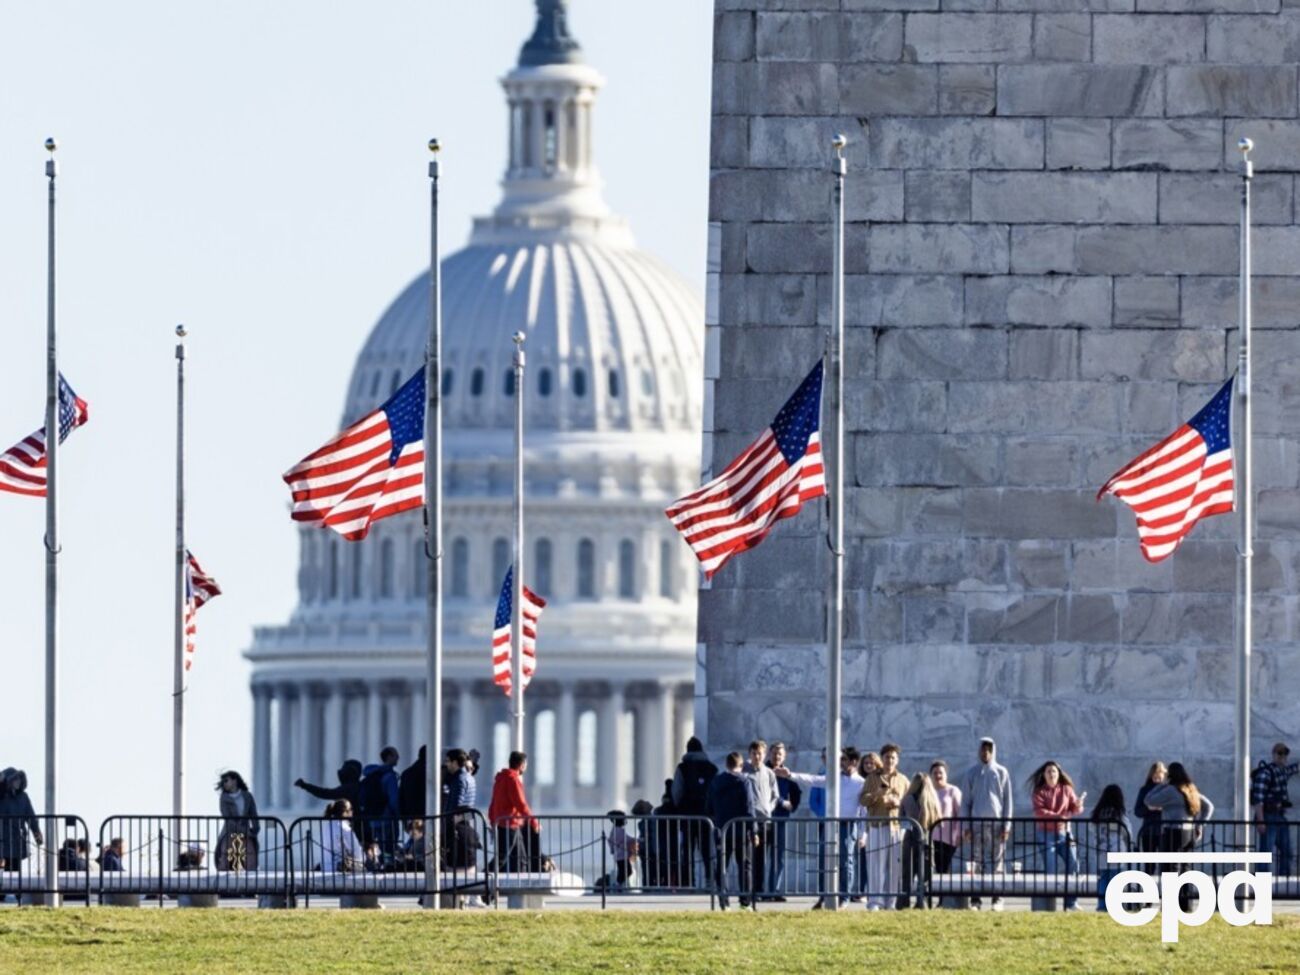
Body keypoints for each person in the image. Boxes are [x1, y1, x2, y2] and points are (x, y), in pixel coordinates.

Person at [777, 746, 866, 909]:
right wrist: (790, 775)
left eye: (844, 759)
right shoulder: (834, 777)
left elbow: (864, 811)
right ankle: (824, 896)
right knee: (825, 860)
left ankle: (844, 897)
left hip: (848, 825)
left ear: (853, 762)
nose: (840, 762)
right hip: (830, 824)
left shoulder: (861, 783)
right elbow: (813, 780)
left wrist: (862, 833)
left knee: (847, 862)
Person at [1142, 762, 1214, 911]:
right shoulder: (1190, 789)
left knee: (1170, 869)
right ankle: (1185, 904)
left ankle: (1169, 906)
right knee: (1185, 869)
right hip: (1188, 832)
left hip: (1171, 832)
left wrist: (1162, 784)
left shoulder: (1170, 790)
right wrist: (1199, 825)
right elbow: (1209, 807)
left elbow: (1148, 799)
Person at [960, 737, 1013, 911]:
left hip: (996, 824)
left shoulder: (1001, 772)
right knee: (976, 861)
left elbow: (1007, 802)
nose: (986, 753)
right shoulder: (971, 773)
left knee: (997, 861)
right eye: (983, 749)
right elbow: (966, 802)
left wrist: (1006, 825)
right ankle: (975, 899)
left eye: (989, 750)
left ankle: (997, 898)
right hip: (976, 824)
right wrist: (966, 826)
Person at [1028, 760, 1085, 911]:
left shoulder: (1067, 789)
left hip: (1066, 833)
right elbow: (1040, 812)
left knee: (1074, 863)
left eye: (1054, 771)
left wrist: (1078, 805)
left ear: (1059, 774)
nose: (1051, 774)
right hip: (1045, 834)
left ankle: (1071, 902)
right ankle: (1050, 904)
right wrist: (1059, 816)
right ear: (1044, 775)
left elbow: (1075, 808)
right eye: (1048, 771)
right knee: (1051, 868)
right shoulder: (1039, 791)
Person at [861, 743, 908, 910]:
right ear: (882, 758)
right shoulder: (872, 778)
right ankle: (875, 901)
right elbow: (863, 800)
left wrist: (897, 802)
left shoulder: (902, 779)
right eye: (887, 757)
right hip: (877, 825)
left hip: (895, 827)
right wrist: (877, 795)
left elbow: (908, 802)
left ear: (897, 760)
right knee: (876, 865)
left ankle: (891, 902)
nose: (890, 760)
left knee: (894, 866)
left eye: (893, 757)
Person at [705, 751, 755, 910]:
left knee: (722, 866)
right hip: (741, 831)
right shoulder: (744, 782)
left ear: (726, 765)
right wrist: (753, 830)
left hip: (721, 829)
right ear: (741, 765)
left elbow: (708, 807)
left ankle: (723, 901)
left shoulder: (716, 782)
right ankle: (745, 902)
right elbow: (749, 808)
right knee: (745, 866)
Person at [671, 736, 718, 889]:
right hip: (707, 817)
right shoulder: (712, 768)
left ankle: (688, 881)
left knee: (687, 851)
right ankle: (710, 880)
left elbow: (677, 791)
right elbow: (716, 792)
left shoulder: (682, 767)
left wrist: (679, 806)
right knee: (707, 851)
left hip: (687, 815)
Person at [1252, 742, 1299, 876]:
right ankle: (1263, 883)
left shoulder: (1282, 771)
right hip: (1268, 815)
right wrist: (1260, 820)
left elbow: (1295, 768)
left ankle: (1283, 880)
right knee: (1265, 852)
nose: (1282, 756)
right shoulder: (1266, 773)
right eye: (1279, 753)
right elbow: (1258, 798)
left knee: (1286, 850)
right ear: (1273, 755)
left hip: (1279, 815)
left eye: (1284, 754)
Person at [488, 751, 540, 873]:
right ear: (522, 765)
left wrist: (492, 820)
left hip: (505, 824)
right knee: (502, 858)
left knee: (521, 858)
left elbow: (493, 802)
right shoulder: (513, 780)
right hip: (510, 824)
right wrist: (534, 822)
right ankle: (483, 879)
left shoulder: (500, 779)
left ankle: (519, 886)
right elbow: (521, 804)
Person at [898, 772, 941, 909]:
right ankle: (922, 902)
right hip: (927, 838)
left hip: (910, 837)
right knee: (926, 873)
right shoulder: (932, 800)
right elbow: (939, 821)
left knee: (907, 873)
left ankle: (903, 903)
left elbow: (900, 819)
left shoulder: (907, 799)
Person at [743, 739, 779, 902]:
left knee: (762, 857)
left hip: (765, 821)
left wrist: (768, 809)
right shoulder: (744, 771)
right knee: (748, 857)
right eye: (754, 753)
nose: (757, 756)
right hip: (749, 820)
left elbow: (775, 795)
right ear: (749, 754)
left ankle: (760, 889)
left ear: (764, 755)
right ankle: (748, 890)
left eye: (760, 753)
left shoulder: (769, 773)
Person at [296, 759, 365, 839]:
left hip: (356, 826)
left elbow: (326, 793)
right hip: (361, 825)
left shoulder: (348, 788)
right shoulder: (359, 786)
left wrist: (305, 786)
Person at [766, 741, 800, 901]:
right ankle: (760, 890)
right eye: (774, 753)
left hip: (780, 818)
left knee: (777, 856)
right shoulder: (763, 771)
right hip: (764, 819)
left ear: (784, 756)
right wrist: (781, 802)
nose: (776, 756)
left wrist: (792, 806)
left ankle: (775, 889)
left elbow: (796, 792)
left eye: (780, 754)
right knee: (759, 856)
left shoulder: (786, 773)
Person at [1090, 784, 1132, 912]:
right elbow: (1128, 833)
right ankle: (1114, 905)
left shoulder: (1098, 815)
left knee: (1103, 879)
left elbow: (1092, 830)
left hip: (1102, 851)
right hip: (1117, 851)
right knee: (1115, 880)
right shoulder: (1119, 816)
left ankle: (1102, 905)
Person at [359, 747, 401, 858]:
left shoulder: (373, 774)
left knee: (378, 846)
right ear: (389, 757)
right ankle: (388, 866)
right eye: (395, 755)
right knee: (389, 845)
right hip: (387, 817)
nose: (398, 757)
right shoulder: (390, 777)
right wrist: (398, 815)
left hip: (373, 817)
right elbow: (394, 800)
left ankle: (380, 865)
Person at [215, 770, 260, 871]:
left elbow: (253, 814)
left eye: (226, 780)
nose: (224, 784)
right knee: (226, 855)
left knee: (250, 856)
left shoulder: (247, 796)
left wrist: (255, 828)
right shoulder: (224, 798)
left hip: (246, 832)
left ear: (234, 780)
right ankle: (222, 882)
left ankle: (251, 882)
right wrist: (243, 830)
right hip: (229, 831)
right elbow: (227, 817)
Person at [0, 769, 43, 872]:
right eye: (15, 779)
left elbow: (31, 817)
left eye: (19, 779)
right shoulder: (1, 796)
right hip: (2, 838)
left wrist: (37, 834)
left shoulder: (23, 797)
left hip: (16, 839)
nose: (17, 782)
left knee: (14, 871)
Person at [930, 760, 964, 889]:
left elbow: (961, 813)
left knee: (944, 868)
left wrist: (960, 833)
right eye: (935, 773)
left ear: (946, 774)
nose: (938, 775)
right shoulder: (928, 791)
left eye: (941, 772)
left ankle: (943, 897)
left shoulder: (953, 791)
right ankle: (937, 895)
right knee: (934, 868)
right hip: (931, 837)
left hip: (948, 838)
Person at [1133, 761, 1167, 871]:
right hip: (1149, 831)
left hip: (1164, 831)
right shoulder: (1145, 790)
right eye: (1155, 774)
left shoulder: (1167, 790)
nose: (1157, 777)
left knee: (1166, 866)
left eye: (1160, 774)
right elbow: (1137, 811)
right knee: (1149, 866)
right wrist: (1149, 808)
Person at [319, 799, 365, 872]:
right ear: (345, 812)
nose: (353, 811)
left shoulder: (328, 825)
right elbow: (357, 853)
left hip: (325, 866)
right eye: (351, 809)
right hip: (339, 867)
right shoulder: (344, 828)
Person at [606, 810, 638, 889]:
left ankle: (617, 885)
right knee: (627, 871)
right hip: (622, 856)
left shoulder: (615, 830)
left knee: (623, 872)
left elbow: (610, 841)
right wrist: (639, 839)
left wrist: (612, 850)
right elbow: (627, 839)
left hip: (620, 855)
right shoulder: (618, 830)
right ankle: (616, 885)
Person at [398, 745, 427, 820]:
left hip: (409, 814)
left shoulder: (407, 772)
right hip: (424, 813)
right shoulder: (428, 773)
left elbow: (401, 796)